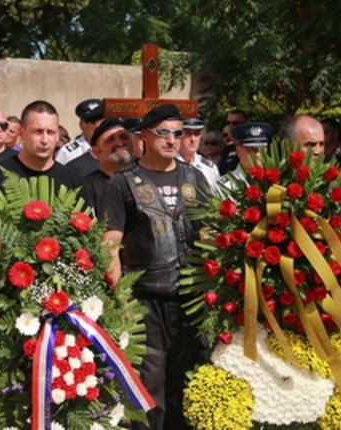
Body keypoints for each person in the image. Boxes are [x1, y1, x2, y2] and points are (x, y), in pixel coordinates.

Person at [102, 104, 208, 430]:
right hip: (144, 301)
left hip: (189, 301)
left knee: (186, 387)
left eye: (178, 133)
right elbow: (110, 244)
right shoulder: (123, 183)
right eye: (164, 132)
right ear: (145, 135)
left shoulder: (195, 177)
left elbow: (208, 234)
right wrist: (119, 300)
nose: (172, 139)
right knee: (148, 390)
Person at [0, 101, 87, 201]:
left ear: (57, 135)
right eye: (38, 132)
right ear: (22, 134)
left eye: (50, 132)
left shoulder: (73, 182)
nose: (44, 140)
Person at [82, 118, 134, 219]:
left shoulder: (145, 178)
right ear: (96, 152)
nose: (120, 143)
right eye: (110, 139)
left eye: (124, 137)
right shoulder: (86, 187)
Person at [54, 98, 104, 166]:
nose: (96, 125)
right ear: (81, 125)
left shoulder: (113, 146)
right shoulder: (67, 153)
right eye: (91, 121)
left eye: (101, 120)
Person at [176, 117, 219, 187]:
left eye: (196, 134)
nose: (193, 139)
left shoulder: (209, 167)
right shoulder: (168, 165)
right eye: (188, 133)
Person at [216, 109, 246, 175]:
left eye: (235, 123)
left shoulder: (249, 146)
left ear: (244, 124)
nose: (230, 126)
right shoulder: (228, 149)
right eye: (228, 123)